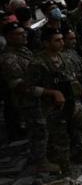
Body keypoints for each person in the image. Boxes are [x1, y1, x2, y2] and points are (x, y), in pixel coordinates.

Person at [28, 27, 82, 171]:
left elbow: (71, 79)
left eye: (62, 39)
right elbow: (28, 88)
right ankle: (66, 174)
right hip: (53, 109)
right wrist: (51, 92)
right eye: (57, 40)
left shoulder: (64, 58)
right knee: (62, 144)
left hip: (71, 103)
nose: (61, 43)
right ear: (46, 43)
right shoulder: (37, 63)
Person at [0, 22, 58, 172]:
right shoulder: (9, 59)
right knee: (38, 131)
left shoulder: (24, 51)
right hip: (28, 101)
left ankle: (48, 156)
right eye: (19, 34)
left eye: (23, 32)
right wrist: (47, 92)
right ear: (8, 37)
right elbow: (21, 87)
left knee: (46, 128)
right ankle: (41, 162)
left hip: (39, 98)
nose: (24, 35)